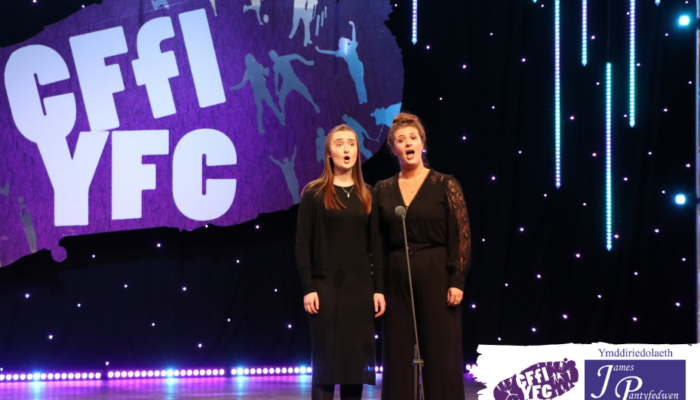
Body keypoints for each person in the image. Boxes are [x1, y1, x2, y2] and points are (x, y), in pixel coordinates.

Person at [374, 112, 471, 400]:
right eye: (401, 140)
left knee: (441, 353)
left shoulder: (445, 184)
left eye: (413, 138)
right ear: (393, 149)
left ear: (422, 144)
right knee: (397, 355)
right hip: (396, 279)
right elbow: (375, 242)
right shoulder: (382, 189)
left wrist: (457, 279)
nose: (408, 143)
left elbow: (461, 235)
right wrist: (378, 286)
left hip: (437, 276)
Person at [296, 124, 386, 400]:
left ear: (357, 151)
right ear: (329, 153)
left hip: (360, 290)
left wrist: (379, 289)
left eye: (351, 143)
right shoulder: (314, 193)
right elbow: (302, 242)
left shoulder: (367, 193)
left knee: (354, 367)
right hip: (325, 289)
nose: (346, 149)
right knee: (326, 367)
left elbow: (375, 244)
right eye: (339, 144)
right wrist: (309, 287)